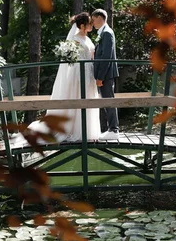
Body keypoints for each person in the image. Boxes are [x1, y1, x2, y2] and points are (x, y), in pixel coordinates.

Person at [17, 12, 101, 144]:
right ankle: (75, 130)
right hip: (79, 74)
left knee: (89, 98)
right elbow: (72, 59)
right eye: (89, 23)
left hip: (90, 74)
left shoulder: (88, 39)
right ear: (83, 25)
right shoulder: (75, 39)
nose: (91, 25)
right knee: (79, 98)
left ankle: (88, 131)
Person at [92, 9, 119, 140]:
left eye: (93, 19)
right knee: (106, 100)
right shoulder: (103, 32)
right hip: (105, 74)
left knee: (109, 100)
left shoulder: (107, 33)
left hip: (106, 74)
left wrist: (100, 77)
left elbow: (106, 57)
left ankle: (114, 129)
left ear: (99, 18)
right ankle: (111, 128)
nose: (92, 22)